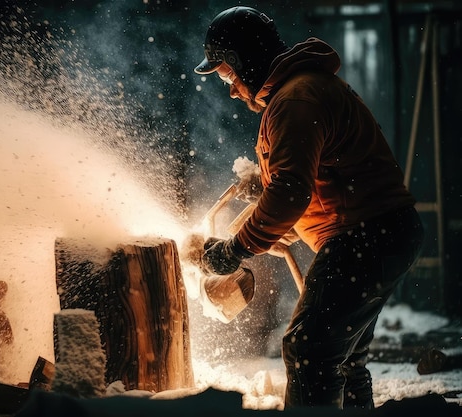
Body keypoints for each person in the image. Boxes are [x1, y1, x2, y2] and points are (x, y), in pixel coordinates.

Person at [194, 6, 424, 410]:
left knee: (309, 350)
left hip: (365, 237)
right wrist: (266, 191)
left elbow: (290, 193)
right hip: (380, 233)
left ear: (247, 61)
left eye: (229, 74)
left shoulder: (295, 99)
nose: (230, 89)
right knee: (343, 356)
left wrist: (235, 250)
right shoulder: (299, 91)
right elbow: (311, 181)